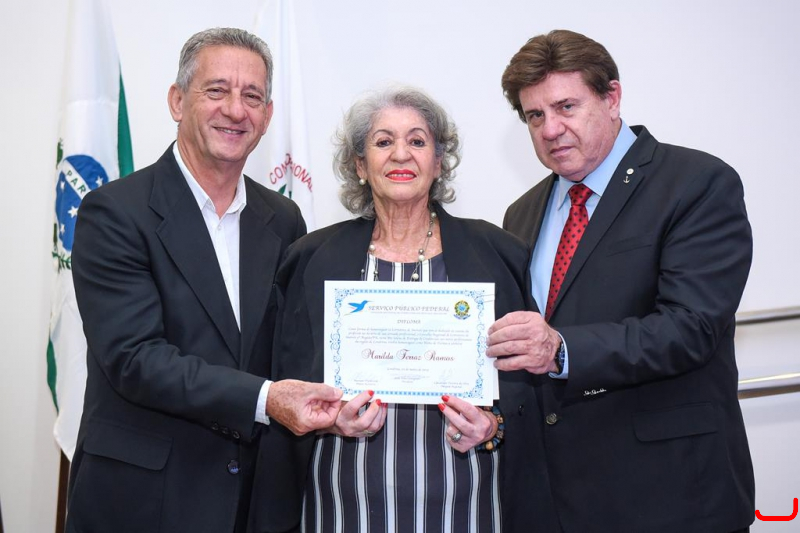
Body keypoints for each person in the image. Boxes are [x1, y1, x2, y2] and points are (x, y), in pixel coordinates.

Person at [66, 28, 342, 533]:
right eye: (217, 90)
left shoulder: (283, 220)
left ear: (267, 116)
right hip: (143, 502)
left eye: (252, 96)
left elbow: (291, 348)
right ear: (177, 101)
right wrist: (267, 399)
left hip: (252, 503)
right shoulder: (115, 213)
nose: (235, 110)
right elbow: (136, 359)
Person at [487, 29, 755, 532]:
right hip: (555, 500)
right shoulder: (521, 214)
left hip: (670, 495)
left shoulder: (695, 183)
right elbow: (524, 354)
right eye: (534, 116)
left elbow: (691, 327)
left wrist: (562, 349)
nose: (550, 129)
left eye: (566, 106)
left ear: (612, 97)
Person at [266, 86, 556, 533]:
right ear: (360, 165)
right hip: (342, 510)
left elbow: (526, 393)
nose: (401, 154)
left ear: (438, 162)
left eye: (417, 141)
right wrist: (327, 419)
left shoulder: (497, 253)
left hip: (467, 510)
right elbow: (285, 383)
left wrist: (491, 427)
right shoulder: (311, 258)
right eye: (383, 141)